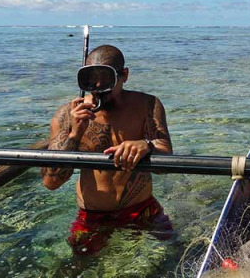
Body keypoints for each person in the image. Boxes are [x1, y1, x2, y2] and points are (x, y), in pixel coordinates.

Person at [41, 45, 173, 255]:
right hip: (92, 216)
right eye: (92, 78)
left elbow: (166, 163)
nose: (99, 86)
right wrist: (75, 134)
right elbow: (51, 182)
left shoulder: (147, 105)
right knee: (78, 266)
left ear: (124, 75)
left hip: (143, 209)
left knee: (173, 253)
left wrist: (147, 145)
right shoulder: (67, 115)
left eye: (107, 78)